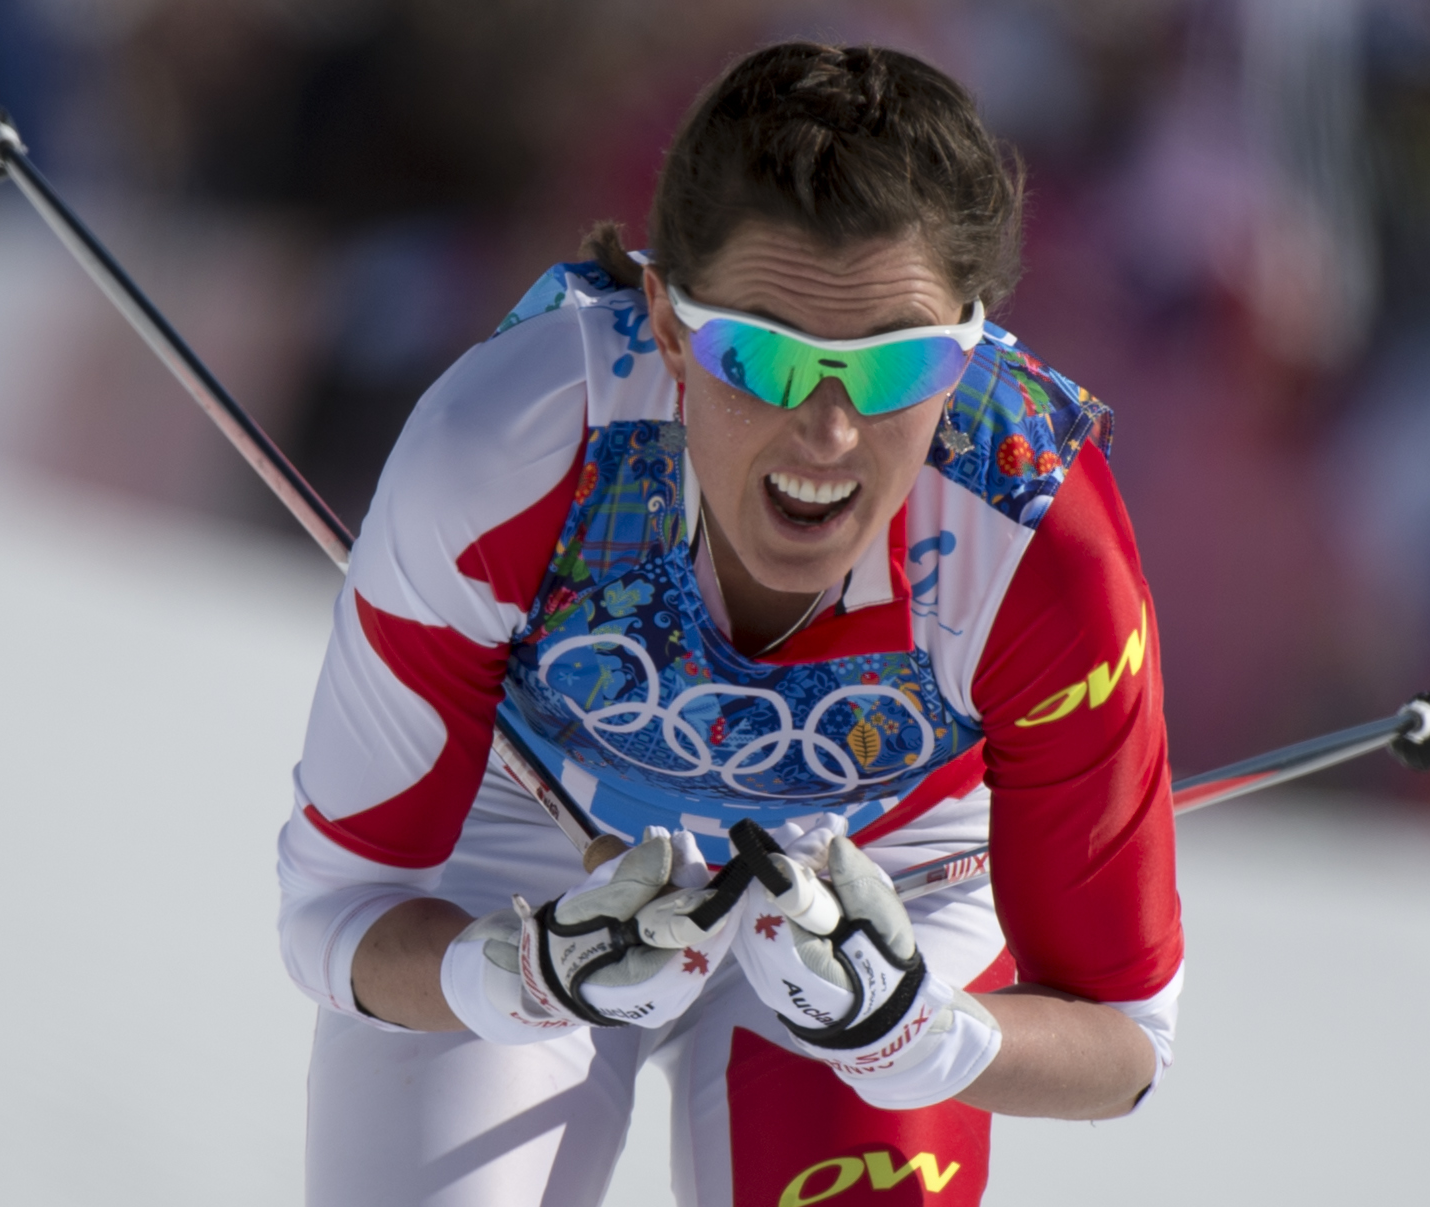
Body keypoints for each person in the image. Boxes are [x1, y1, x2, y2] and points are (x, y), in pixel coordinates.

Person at [277, 42, 1183, 1207]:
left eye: (898, 365)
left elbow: (1125, 1042)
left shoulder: (1040, 543)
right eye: (758, 354)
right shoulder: (508, 448)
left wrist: (918, 1031)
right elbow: (331, 912)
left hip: (882, 891)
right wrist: (517, 970)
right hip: (530, 845)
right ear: (664, 319)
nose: (828, 433)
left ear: (968, 348)